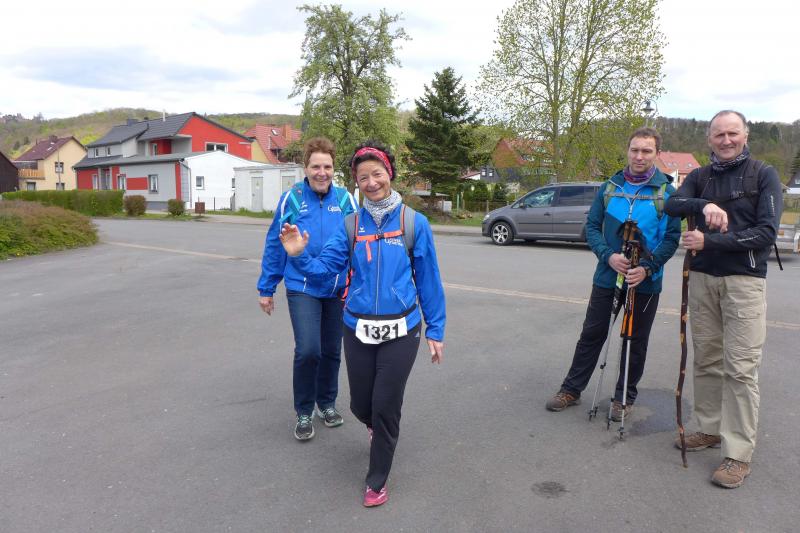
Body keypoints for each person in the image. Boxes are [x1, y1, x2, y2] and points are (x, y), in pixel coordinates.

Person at [278, 140, 446, 508]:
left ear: (390, 174)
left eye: (377, 174)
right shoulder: (350, 225)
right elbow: (324, 270)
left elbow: (429, 280)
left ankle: (377, 479)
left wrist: (435, 329)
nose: (371, 182)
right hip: (357, 328)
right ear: (356, 181)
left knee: (386, 405)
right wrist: (299, 256)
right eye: (363, 177)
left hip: (402, 329)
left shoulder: (414, 223)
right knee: (360, 405)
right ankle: (372, 424)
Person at [664, 110, 782, 489]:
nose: (726, 140)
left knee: (741, 369)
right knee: (708, 360)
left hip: (744, 282)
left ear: (746, 135)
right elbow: (672, 204)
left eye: (733, 133)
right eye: (719, 134)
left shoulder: (763, 174)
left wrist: (710, 240)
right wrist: (703, 205)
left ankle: (738, 453)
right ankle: (709, 429)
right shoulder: (700, 176)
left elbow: (766, 233)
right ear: (709, 139)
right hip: (703, 280)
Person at [546, 127, 681, 421]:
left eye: (646, 151)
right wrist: (608, 256)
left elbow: (671, 239)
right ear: (628, 151)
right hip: (608, 277)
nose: (639, 156)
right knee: (592, 334)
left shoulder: (666, 195)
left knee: (635, 341)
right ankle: (571, 389)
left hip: (645, 283)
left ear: (657, 154)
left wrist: (647, 268)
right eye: (635, 150)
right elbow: (593, 228)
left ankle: (623, 398)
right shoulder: (609, 188)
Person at [257, 137, 357, 441]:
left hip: (337, 288)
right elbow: (275, 243)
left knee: (331, 350)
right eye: (316, 166)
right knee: (309, 350)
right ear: (306, 168)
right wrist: (267, 287)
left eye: (327, 166)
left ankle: (326, 403)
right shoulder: (292, 199)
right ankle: (303, 410)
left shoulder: (346, 200)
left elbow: (358, 243)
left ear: (334, 169)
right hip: (302, 287)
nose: (321, 172)